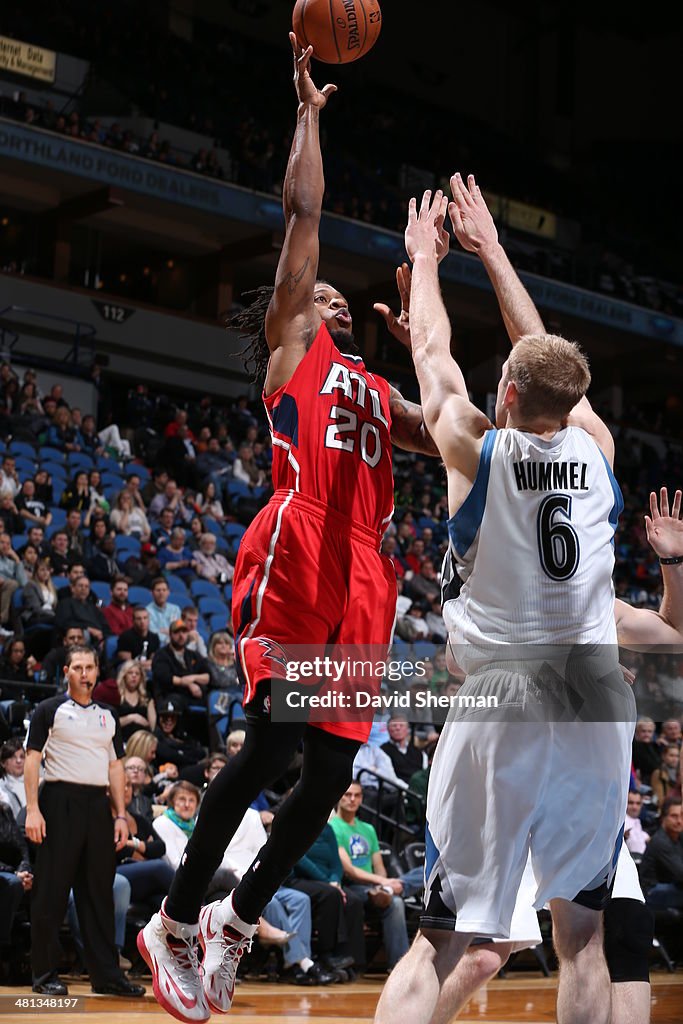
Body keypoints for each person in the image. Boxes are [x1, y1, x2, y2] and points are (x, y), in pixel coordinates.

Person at [139, 36, 439, 1024]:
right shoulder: (293, 359)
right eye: (318, 294)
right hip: (300, 545)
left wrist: (422, 347)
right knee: (271, 750)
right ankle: (174, 917)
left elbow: (445, 435)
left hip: (367, 575)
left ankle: (235, 916)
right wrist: (307, 116)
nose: (333, 295)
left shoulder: (374, 387)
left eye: (340, 297)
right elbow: (301, 216)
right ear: (291, 314)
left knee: (332, 767)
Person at [373, 183, 638, 1024]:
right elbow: (542, 352)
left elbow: (432, 356)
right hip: (596, 697)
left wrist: (426, 259)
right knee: (582, 936)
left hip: (504, 692)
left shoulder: (473, 449)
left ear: (511, 397)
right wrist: (491, 250)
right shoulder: (597, 452)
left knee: (439, 937)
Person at [24, 645, 145, 997]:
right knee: (51, 892)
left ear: (97, 671)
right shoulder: (49, 710)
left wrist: (120, 815)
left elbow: (115, 767)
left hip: (98, 806)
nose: (84, 673)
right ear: (66, 671)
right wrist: (33, 809)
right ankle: (44, 976)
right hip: (59, 800)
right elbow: (33, 759)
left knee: (99, 895)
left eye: (90, 667)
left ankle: (107, 976)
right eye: (77, 667)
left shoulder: (109, 715)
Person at [331, 781, 409, 970]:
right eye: (348, 794)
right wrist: (383, 882)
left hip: (375, 887)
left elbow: (379, 866)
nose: (352, 799)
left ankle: (392, 888)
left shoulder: (368, 829)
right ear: (339, 797)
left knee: (415, 876)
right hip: (351, 886)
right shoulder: (333, 827)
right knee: (396, 902)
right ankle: (400, 966)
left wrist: (382, 885)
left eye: (357, 795)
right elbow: (349, 870)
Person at [640, 797, 683, 909]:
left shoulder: (679, 836)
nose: (679, 821)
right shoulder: (660, 841)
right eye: (674, 816)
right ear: (663, 818)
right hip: (652, 891)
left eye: (682, 816)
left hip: (672, 885)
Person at [116, 660, 156, 742]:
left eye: (137, 674)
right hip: (121, 741)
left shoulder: (147, 698)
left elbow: (152, 727)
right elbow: (111, 724)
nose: (134, 676)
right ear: (124, 675)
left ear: (141, 677)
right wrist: (132, 718)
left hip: (142, 742)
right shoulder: (116, 695)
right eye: (130, 673)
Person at [146, 577, 181, 645]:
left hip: (176, 642)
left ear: (168, 592)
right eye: (158, 590)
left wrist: (164, 631)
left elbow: (179, 629)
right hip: (158, 645)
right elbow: (153, 633)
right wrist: (169, 635)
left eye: (164, 590)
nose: (161, 593)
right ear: (152, 593)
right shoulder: (147, 611)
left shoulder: (175, 609)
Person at [0, 738, 27, 819]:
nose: (19, 761)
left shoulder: (36, 783)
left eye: (22, 757)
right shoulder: (1, 788)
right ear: (3, 763)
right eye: (13, 757)